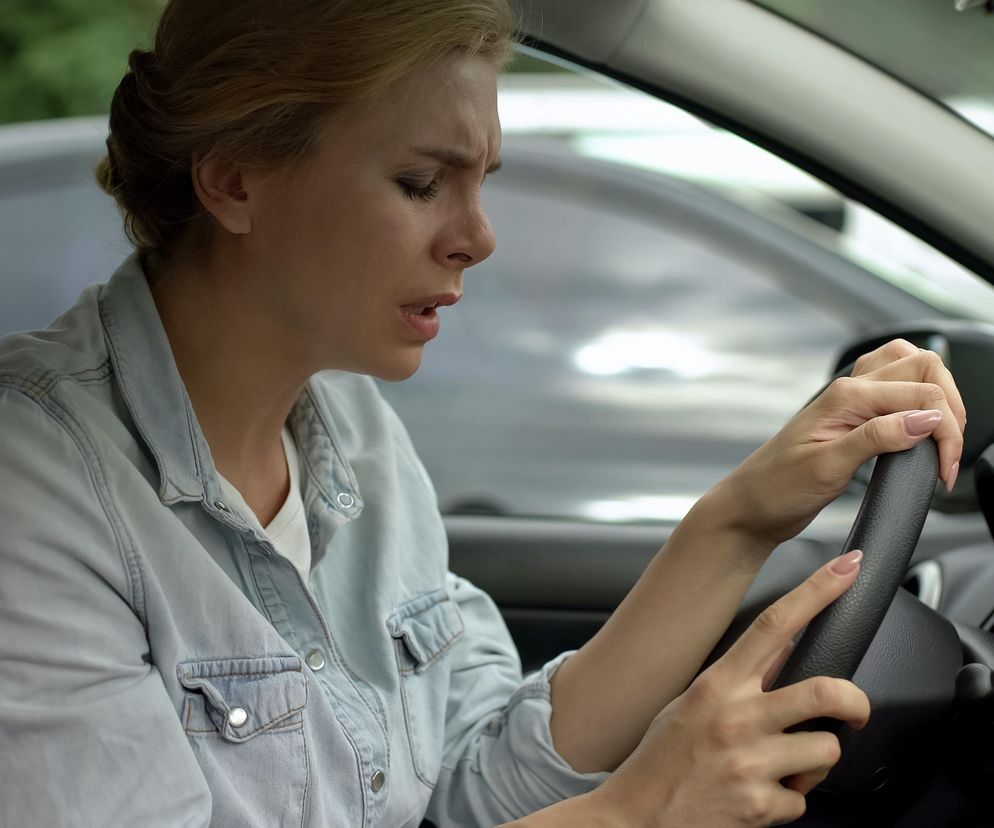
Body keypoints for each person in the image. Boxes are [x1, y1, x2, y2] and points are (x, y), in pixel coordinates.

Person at [0, 1, 965, 825]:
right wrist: (640, 808)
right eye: (421, 183)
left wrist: (742, 520)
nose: (478, 238)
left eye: (481, 182)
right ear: (235, 177)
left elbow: (478, 785)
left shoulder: (352, 430)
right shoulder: (35, 492)